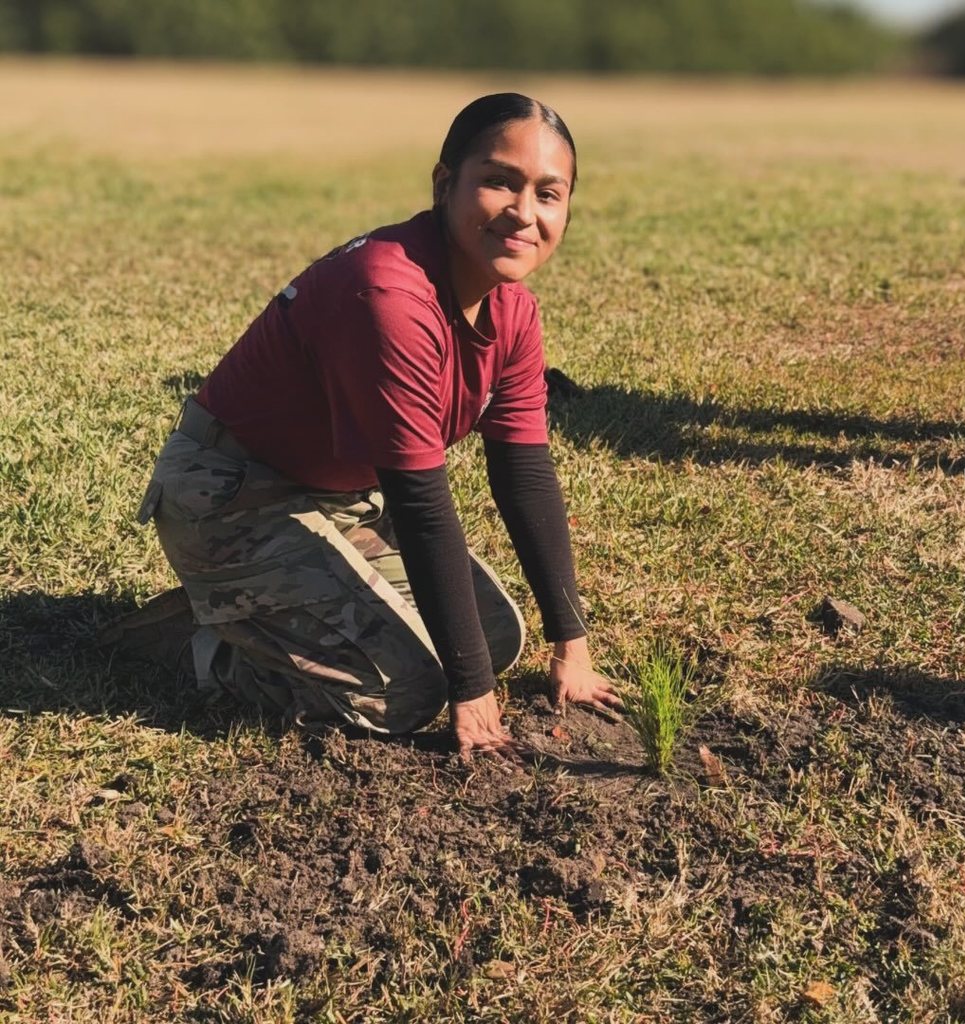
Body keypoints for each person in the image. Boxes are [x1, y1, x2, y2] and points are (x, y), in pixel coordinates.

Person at [130, 93, 621, 759]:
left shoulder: (514, 311)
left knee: (498, 637)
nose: (523, 213)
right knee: (408, 692)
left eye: (548, 193)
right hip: (228, 494)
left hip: (333, 497)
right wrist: (470, 695)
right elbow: (420, 501)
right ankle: (205, 641)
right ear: (445, 183)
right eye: (498, 181)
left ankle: (254, 605)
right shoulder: (388, 295)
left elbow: (525, 478)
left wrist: (573, 646)